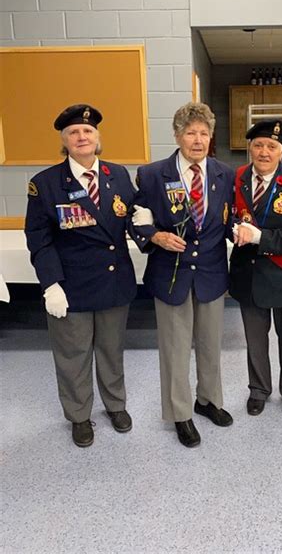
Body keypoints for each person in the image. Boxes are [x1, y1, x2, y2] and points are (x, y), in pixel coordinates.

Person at [25, 104, 136, 447]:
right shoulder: (44, 184)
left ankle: (115, 405)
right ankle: (79, 415)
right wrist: (51, 284)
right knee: (73, 355)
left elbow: (132, 218)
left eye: (88, 131)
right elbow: (39, 239)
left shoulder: (118, 175)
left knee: (111, 349)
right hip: (71, 286)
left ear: (97, 137)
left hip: (114, 281)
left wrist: (149, 223)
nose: (82, 136)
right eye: (74, 132)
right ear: (65, 141)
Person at [128, 102, 234, 448]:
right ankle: (180, 413)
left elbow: (230, 218)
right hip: (170, 274)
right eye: (191, 133)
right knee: (175, 349)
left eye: (204, 133)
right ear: (177, 135)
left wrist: (243, 230)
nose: (198, 140)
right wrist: (155, 236)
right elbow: (137, 218)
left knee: (209, 344)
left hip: (212, 274)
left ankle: (207, 400)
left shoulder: (224, 174)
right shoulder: (151, 174)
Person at [229, 119, 282, 418]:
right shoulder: (237, 178)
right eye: (258, 145)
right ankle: (258, 390)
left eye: (271, 146)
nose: (264, 152)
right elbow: (226, 217)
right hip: (248, 274)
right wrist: (235, 230)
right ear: (250, 148)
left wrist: (260, 237)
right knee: (255, 339)